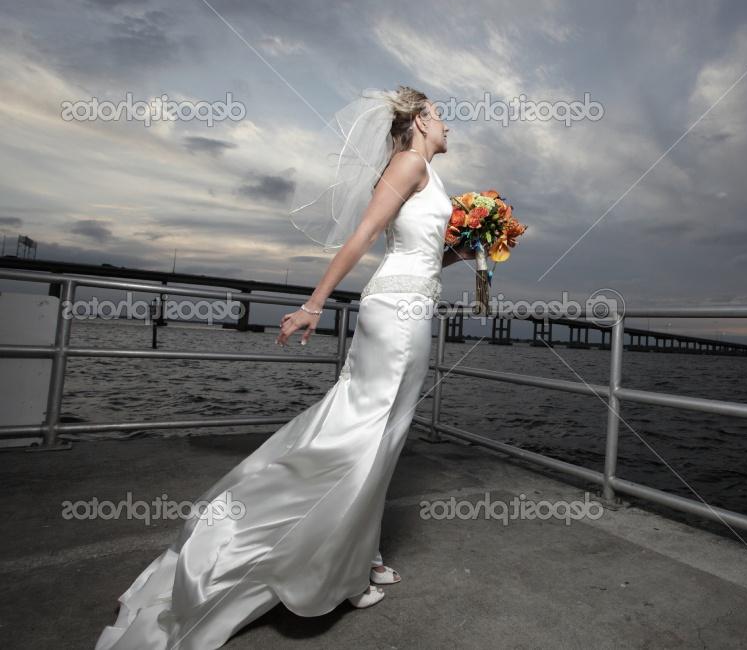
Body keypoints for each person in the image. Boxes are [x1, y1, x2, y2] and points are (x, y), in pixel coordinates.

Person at [95, 86, 476, 649]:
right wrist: (314, 304)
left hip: (416, 304)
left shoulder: (427, 171)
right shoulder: (410, 160)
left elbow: (417, 248)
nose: (450, 127)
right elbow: (365, 237)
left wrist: (463, 251)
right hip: (396, 312)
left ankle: (363, 554)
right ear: (420, 121)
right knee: (363, 434)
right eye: (441, 117)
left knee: (387, 434)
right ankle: (314, 560)